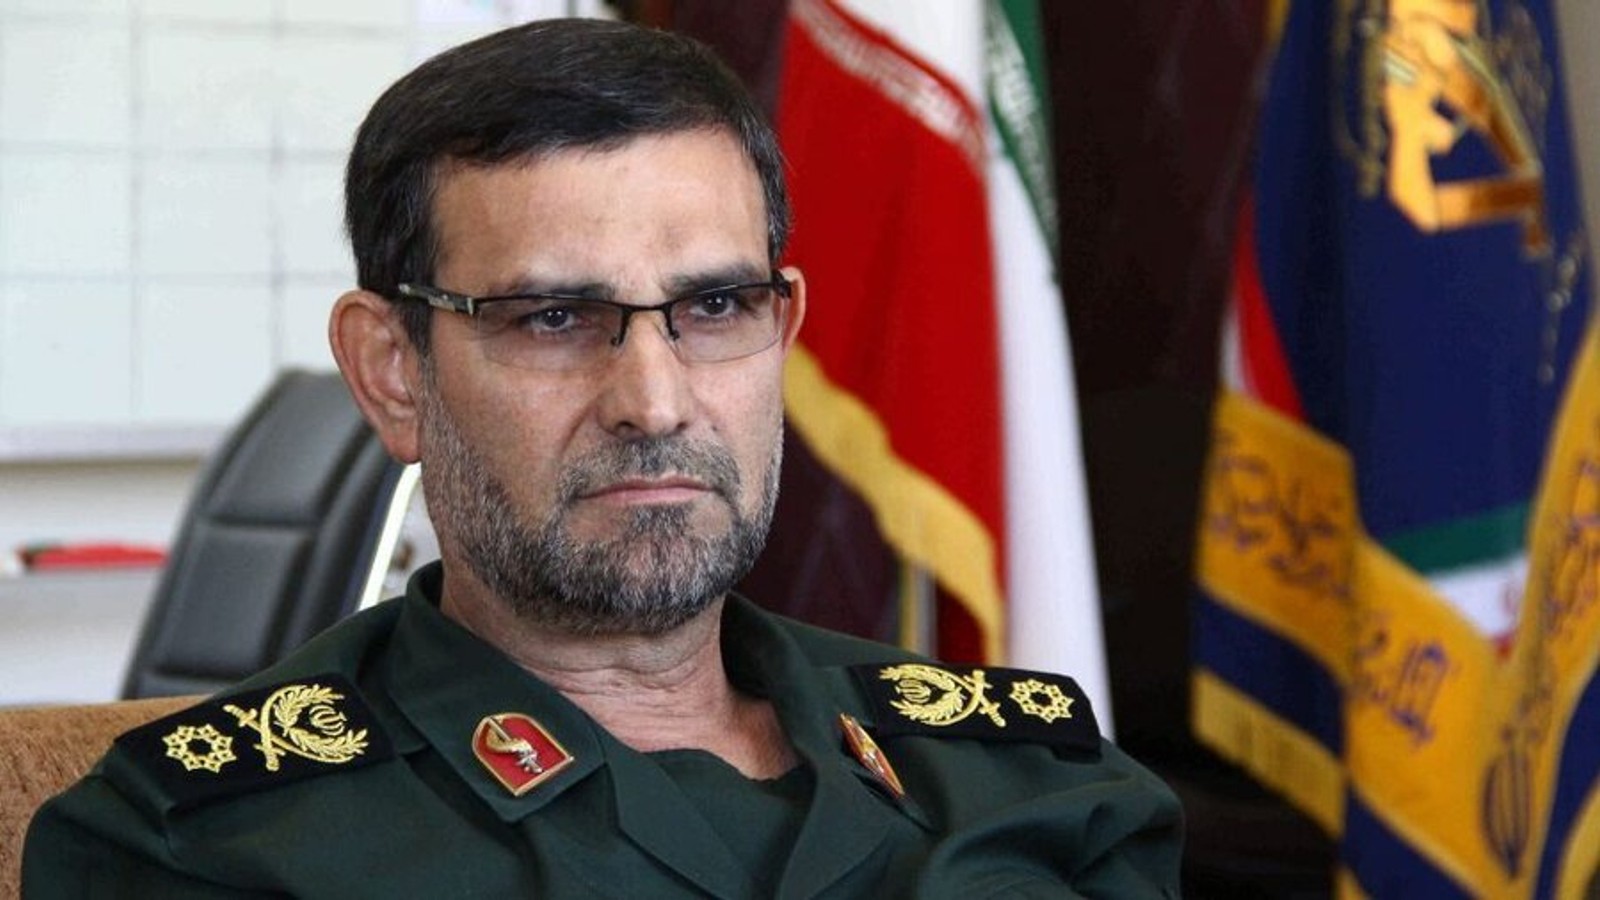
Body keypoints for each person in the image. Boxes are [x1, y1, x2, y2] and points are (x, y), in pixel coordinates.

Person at [23, 17, 1182, 898]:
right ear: (391, 372)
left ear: (781, 327)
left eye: (714, 307)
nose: (654, 403)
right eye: (552, 319)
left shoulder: (1032, 779)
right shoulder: (203, 845)